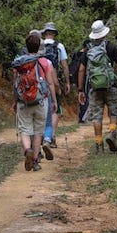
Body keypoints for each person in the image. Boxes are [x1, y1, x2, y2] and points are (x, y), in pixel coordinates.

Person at [77, 20, 117, 152]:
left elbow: (81, 70)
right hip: (110, 85)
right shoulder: (110, 47)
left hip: (94, 87)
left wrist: (80, 89)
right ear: (104, 33)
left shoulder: (88, 48)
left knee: (96, 116)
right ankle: (111, 133)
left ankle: (99, 144)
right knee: (113, 111)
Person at [12, 30, 58, 171]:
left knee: (25, 130)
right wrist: (54, 101)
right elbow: (50, 83)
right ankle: (36, 161)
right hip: (41, 101)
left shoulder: (20, 63)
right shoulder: (44, 62)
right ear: (39, 46)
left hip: (24, 102)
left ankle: (27, 150)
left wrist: (15, 101)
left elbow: (15, 84)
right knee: (38, 132)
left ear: (26, 46)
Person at [40, 22, 69, 150]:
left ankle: (42, 136)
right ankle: (52, 137)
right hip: (54, 81)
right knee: (55, 109)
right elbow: (64, 65)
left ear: (45, 33)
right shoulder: (59, 46)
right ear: (54, 34)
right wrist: (67, 81)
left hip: (39, 81)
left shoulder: (39, 45)